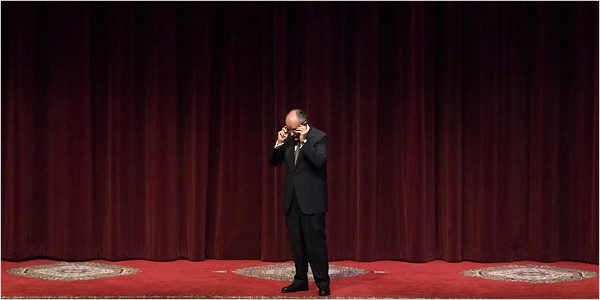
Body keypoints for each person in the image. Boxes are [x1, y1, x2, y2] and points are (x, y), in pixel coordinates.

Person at [268, 109, 331, 296]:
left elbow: (319, 161)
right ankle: (300, 280)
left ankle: (323, 283)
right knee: (297, 243)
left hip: (312, 201)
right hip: (292, 200)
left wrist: (304, 142)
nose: (290, 132)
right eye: (287, 129)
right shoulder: (287, 138)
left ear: (303, 125)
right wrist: (279, 142)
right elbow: (273, 161)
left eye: (293, 129)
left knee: (315, 244)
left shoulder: (319, 137)